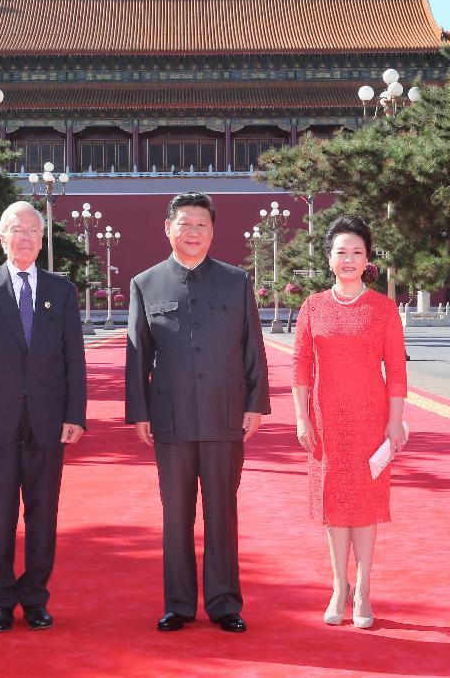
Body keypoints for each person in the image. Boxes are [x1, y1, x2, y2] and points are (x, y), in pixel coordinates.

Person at [125, 192, 270, 634]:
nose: (193, 233)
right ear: (167, 228)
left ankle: (225, 602)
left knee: (223, 512)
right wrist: (140, 413)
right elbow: (137, 355)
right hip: (170, 419)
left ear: (213, 231)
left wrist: (255, 403)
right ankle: (179, 603)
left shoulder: (235, 281)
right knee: (176, 515)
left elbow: (252, 348)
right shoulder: (146, 284)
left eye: (202, 225)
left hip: (225, 416)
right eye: (185, 224)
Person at [0, 201, 87, 633]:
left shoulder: (61, 290)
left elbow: (74, 359)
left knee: (43, 514)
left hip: (48, 421)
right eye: (17, 229)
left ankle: (35, 599)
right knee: (0, 514)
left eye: (33, 230)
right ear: (2, 237)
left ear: (42, 238)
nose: (26, 237)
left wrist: (76, 414)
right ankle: (1, 599)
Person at [291, 215, 407, 629]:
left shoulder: (382, 308)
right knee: (334, 506)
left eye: (357, 252)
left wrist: (395, 423)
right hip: (326, 421)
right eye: (341, 252)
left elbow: (395, 370)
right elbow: (301, 366)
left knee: (365, 506)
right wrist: (302, 418)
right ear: (329, 258)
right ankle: (339, 586)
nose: (349, 259)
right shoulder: (312, 307)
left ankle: (364, 590)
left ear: (367, 259)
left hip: (372, 420)